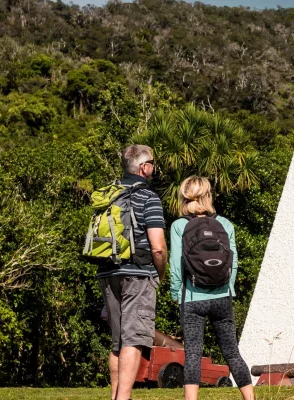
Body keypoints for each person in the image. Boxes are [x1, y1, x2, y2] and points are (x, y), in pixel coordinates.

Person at [170, 176, 254, 400]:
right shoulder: (224, 224)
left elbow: (176, 265)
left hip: (192, 298)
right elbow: (233, 261)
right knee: (232, 353)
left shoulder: (179, 225)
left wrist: (176, 293)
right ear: (208, 196)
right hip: (222, 296)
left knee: (193, 355)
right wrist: (229, 288)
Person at [98, 144, 168, 400]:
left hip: (107, 271)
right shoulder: (148, 197)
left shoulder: (109, 194)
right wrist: (159, 274)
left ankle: (115, 396)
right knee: (134, 339)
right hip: (138, 273)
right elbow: (158, 247)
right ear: (144, 167)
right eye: (153, 163)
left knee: (117, 342)